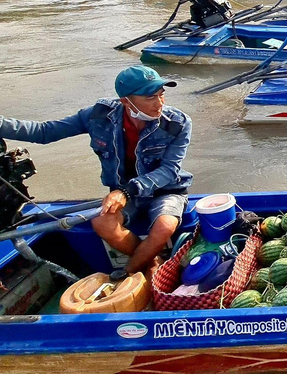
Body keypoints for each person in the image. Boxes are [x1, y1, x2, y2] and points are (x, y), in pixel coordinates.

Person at [0, 66, 192, 278]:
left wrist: (127, 191)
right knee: (102, 223)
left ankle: (126, 273)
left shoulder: (177, 123)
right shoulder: (98, 115)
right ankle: (152, 262)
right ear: (126, 101)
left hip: (165, 191)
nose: (159, 103)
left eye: (161, 95)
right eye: (150, 97)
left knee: (165, 226)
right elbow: (44, 132)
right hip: (122, 194)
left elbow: (169, 169)